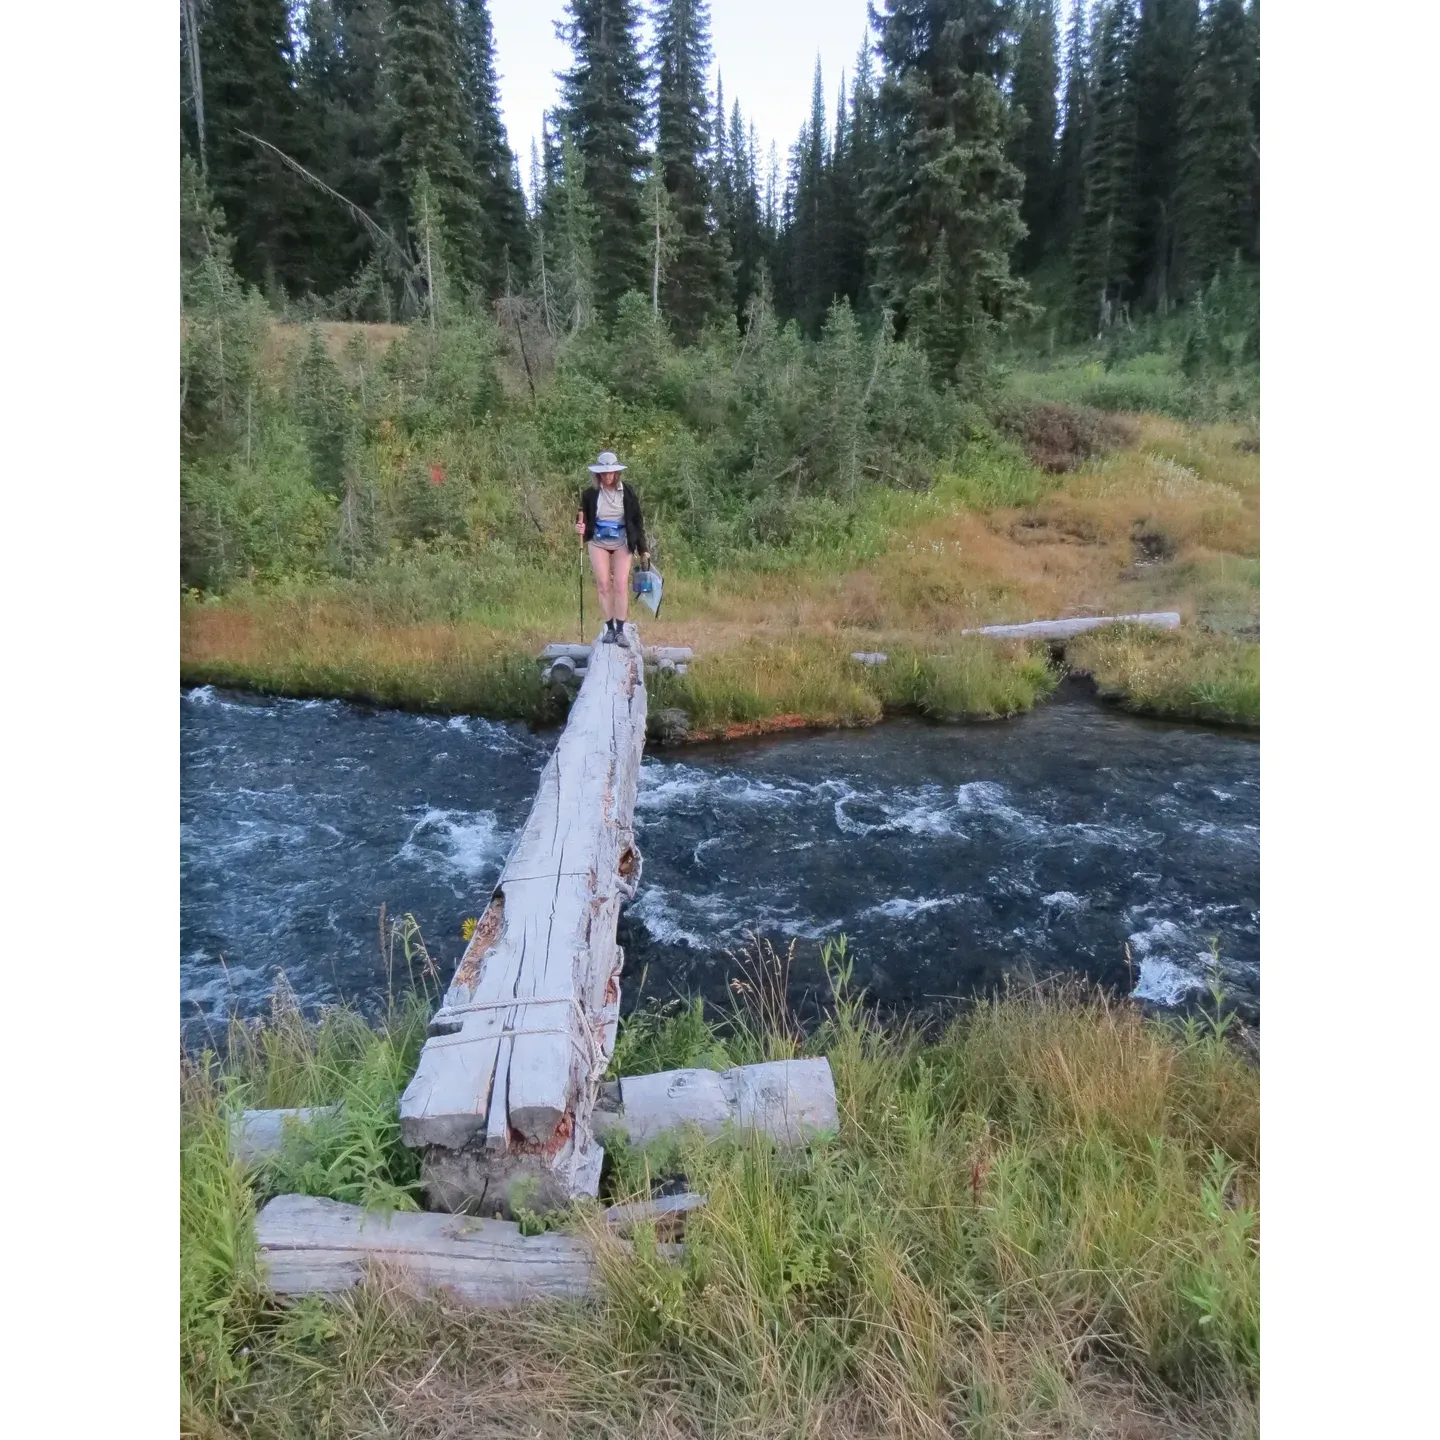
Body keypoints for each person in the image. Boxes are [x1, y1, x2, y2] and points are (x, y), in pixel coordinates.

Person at [576, 451, 648, 645]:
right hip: (598, 541)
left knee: (621, 585)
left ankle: (620, 630)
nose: (608, 476)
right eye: (604, 473)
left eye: (611, 473)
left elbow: (637, 520)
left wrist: (643, 549)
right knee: (603, 584)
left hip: (622, 541)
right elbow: (583, 519)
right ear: (598, 474)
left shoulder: (628, 491)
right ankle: (609, 628)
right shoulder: (590, 494)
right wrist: (580, 527)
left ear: (617, 473)